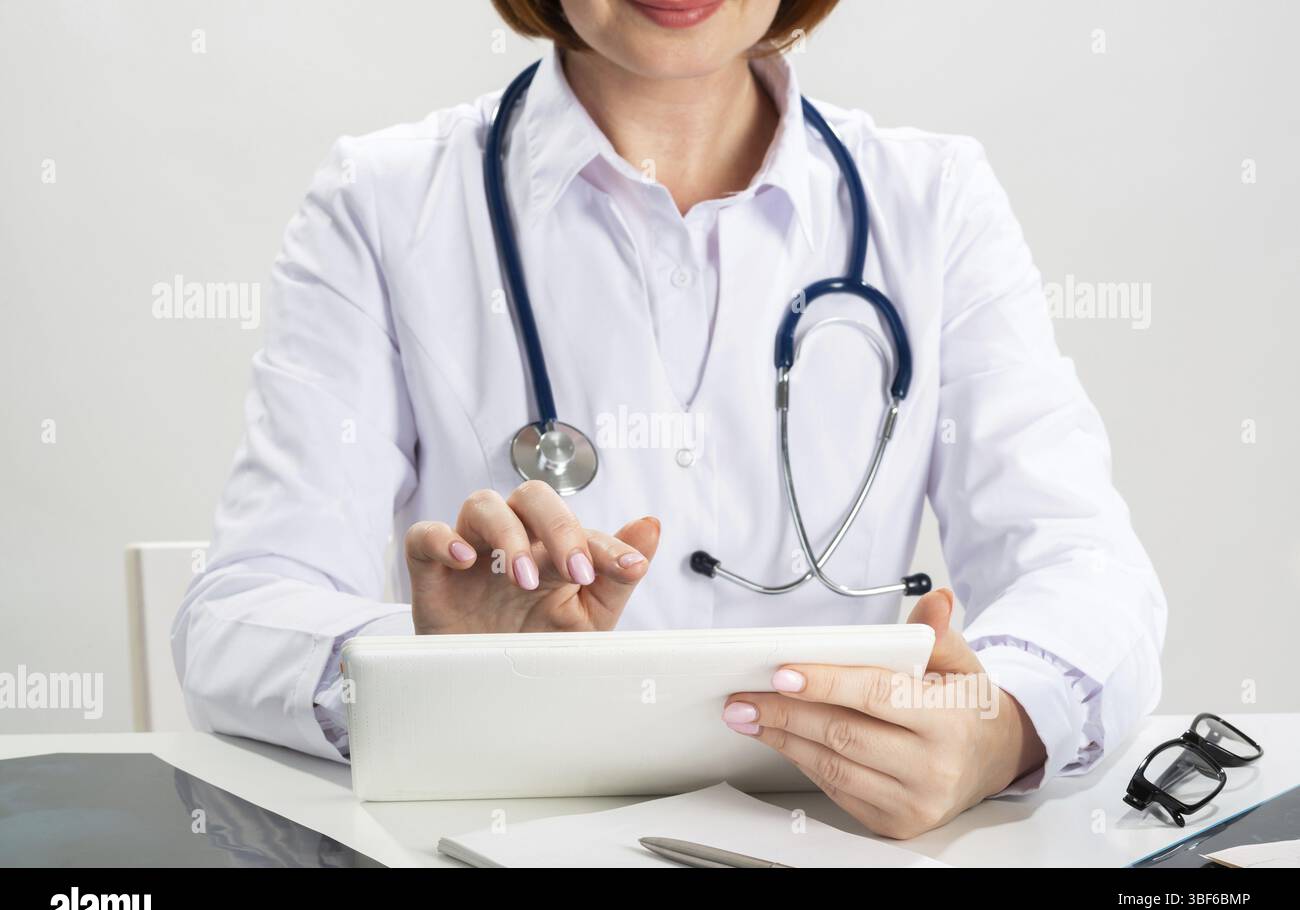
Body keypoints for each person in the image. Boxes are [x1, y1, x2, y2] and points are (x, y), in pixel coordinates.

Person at [173, 0, 1166, 839]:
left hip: (831, 845)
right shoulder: (381, 204)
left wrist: (996, 726)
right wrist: (425, 669)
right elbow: (236, 618)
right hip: (499, 844)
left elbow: (1082, 567)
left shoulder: (933, 202)